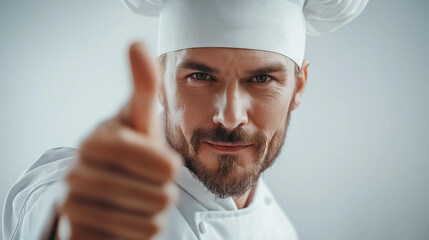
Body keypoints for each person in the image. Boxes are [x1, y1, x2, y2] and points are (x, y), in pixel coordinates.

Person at [2, 0, 369, 239]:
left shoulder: (281, 231)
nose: (230, 117)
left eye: (261, 79)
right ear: (162, 82)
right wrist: (65, 226)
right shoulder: (94, 184)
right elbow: (51, 200)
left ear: (299, 88)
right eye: (201, 77)